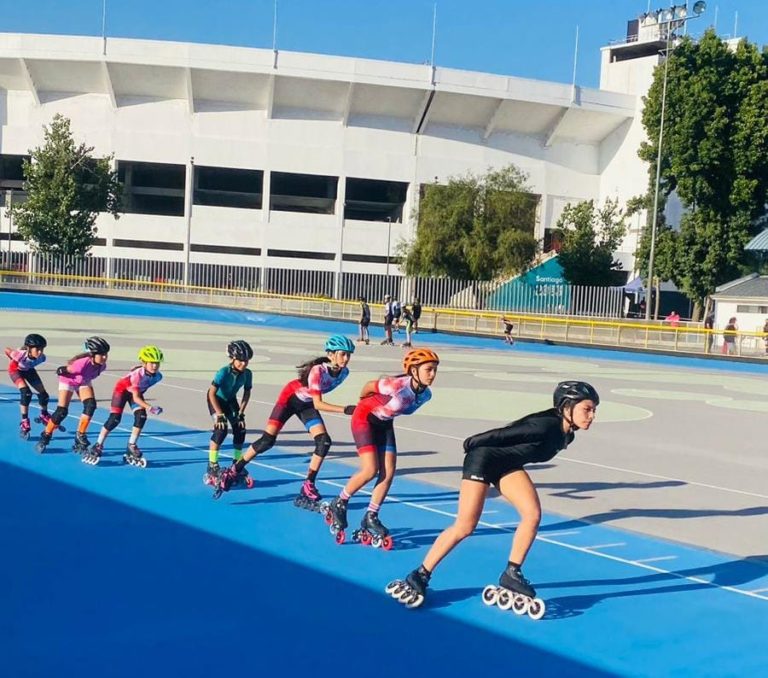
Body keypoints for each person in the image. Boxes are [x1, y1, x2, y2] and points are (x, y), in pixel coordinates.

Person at [386, 381, 599, 615]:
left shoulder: (566, 434)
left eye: (594, 410)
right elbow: (506, 433)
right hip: (483, 460)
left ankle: (511, 573)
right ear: (567, 406)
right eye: (587, 409)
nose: (592, 415)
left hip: (507, 465)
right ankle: (420, 574)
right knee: (465, 526)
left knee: (532, 515)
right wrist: (472, 442)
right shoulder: (546, 426)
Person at [215, 335, 357, 508]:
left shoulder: (345, 373)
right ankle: (233, 470)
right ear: (331, 354)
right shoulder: (317, 371)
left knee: (324, 441)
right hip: (289, 399)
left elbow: (313, 400)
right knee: (267, 441)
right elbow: (319, 403)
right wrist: (345, 409)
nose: (346, 359)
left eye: (349, 355)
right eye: (343, 354)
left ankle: (308, 485)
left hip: (306, 403)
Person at [323, 348, 439, 547]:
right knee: (370, 469)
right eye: (428, 369)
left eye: (435, 370)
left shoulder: (425, 395)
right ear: (413, 371)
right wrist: (361, 404)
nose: (433, 374)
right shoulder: (395, 385)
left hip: (384, 422)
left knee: (388, 472)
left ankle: (371, 515)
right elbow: (368, 386)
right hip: (365, 418)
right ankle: (339, 502)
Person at [82, 345, 165, 467]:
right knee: (114, 419)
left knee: (141, 416)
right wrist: (150, 407)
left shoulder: (158, 376)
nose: (155, 366)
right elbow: (136, 397)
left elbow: (137, 393)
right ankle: (98, 444)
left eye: (157, 363)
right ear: (144, 362)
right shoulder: (137, 375)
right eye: (152, 363)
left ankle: (131, 445)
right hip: (121, 391)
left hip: (135, 392)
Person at [36, 336, 110, 454]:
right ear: (92, 354)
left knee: (91, 405)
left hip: (83, 381)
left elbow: (87, 377)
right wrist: (62, 369)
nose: (105, 357)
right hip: (68, 381)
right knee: (61, 412)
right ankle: (46, 435)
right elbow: (65, 370)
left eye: (106, 354)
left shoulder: (102, 366)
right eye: (102, 354)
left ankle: (80, 434)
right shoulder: (80, 364)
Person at [203, 340, 253, 487]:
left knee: (240, 429)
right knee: (221, 430)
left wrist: (241, 413)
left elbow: (247, 393)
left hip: (231, 401)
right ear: (232, 359)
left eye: (246, 361)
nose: (243, 364)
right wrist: (219, 414)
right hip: (216, 400)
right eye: (240, 361)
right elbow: (212, 393)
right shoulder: (223, 372)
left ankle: (237, 463)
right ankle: (212, 464)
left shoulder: (248, 374)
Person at [5, 333, 51, 440]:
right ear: (29, 348)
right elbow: (7, 350)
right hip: (15, 370)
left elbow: (30, 365)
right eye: (37, 349)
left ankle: (44, 414)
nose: (40, 352)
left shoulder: (42, 358)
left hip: (29, 370)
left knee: (44, 395)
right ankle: (24, 421)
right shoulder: (19, 355)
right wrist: (11, 359)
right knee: (26, 393)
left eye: (42, 349)